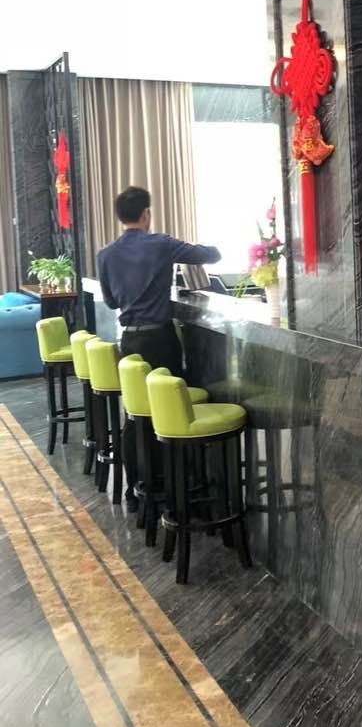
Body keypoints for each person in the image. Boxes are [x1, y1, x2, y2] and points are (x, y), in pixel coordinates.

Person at [97, 186, 221, 509]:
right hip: (160, 340)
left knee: (136, 413)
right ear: (146, 214)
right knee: (170, 410)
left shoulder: (105, 255)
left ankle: (137, 488)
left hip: (129, 341)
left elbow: (110, 301)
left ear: (120, 217)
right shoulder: (161, 244)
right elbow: (208, 255)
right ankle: (176, 484)